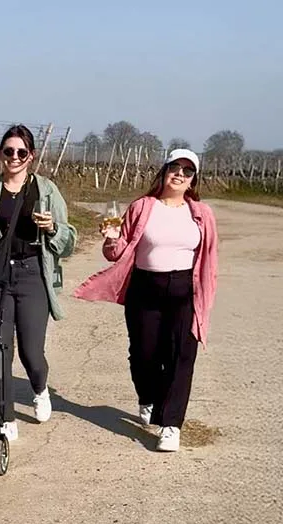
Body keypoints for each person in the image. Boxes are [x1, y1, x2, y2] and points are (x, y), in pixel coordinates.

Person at [73, 149, 219, 453]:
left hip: (183, 289)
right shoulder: (142, 206)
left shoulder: (202, 214)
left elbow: (210, 258)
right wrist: (111, 238)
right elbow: (117, 252)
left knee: (181, 356)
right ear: (164, 171)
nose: (179, 174)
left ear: (193, 180)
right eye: (174, 168)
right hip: (145, 286)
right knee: (144, 354)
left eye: (187, 171)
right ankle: (148, 397)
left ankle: (170, 425)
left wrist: (206, 293)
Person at [0, 124, 77, 441]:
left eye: (21, 152)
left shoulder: (47, 191)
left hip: (33, 273)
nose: (15, 157)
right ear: (0, 155)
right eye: (9, 151)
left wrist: (51, 229)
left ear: (31, 156)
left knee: (32, 353)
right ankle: (5, 418)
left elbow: (69, 241)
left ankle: (39, 387)